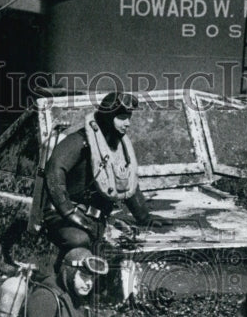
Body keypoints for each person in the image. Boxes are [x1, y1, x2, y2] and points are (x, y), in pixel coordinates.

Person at [38, 92, 170, 262]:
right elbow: (54, 171)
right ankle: (65, 282)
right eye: (122, 117)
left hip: (95, 220)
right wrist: (70, 213)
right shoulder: (80, 141)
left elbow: (127, 184)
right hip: (64, 217)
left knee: (116, 251)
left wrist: (145, 218)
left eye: (129, 117)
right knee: (80, 241)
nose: (128, 123)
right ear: (108, 117)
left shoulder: (117, 146)